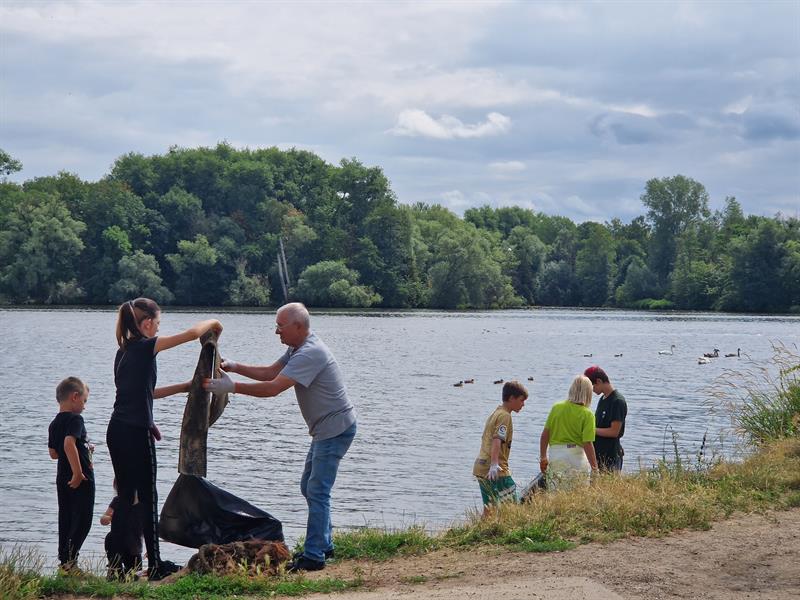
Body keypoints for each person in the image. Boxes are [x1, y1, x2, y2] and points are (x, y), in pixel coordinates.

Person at [204, 302, 356, 573]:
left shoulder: (310, 352)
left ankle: (314, 556)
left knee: (317, 490)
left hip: (334, 429)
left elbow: (272, 388)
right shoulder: (298, 347)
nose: (276, 331)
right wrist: (234, 366)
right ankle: (324, 544)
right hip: (326, 429)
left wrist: (232, 387)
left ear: (298, 326)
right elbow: (270, 372)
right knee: (309, 487)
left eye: (280, 326)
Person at [107, 297, 222, 581]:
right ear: (147, 323)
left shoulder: (123, 351)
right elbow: (192, 334)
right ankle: (156, 564)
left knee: (126, 498)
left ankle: (118, 566)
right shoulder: (147, 346)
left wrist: (184, 387)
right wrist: (214, 322)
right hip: (135, 433)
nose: (158, 328)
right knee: (148, 497)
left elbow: (143, 393)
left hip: (118, 430)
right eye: (158, 323)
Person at [48, 376, 94, 574]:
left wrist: (84, 448)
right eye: (84, 401)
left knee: (66, 517)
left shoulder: (54, 424)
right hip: (80, 479)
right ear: (74, 397)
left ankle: (64, 561)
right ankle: (71, 561)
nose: (84, 406)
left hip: (62, 477)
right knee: (83, 519)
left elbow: (54, 453)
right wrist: (77, 472)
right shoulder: (76, 419)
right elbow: (68, 444)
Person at [472, 380, 528, 515]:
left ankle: (484, 529)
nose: (523, 404)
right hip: (495, 469)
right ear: (511, 398)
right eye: (521, 400)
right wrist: (494, 465)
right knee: (511, 507)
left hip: (481, 466)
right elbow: (497, 439)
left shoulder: (496, 412)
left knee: (489, 509)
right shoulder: (505, 416)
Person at [539, 374, 598, 489]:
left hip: (556, 455)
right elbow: (587, 443)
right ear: (588, 393)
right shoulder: (588, 414)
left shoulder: (557, 408)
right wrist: (595, 468)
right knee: (578, 493)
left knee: (555, 491)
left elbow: (545, 435)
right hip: (577, 457)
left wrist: (543, 457)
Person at [584, 365, 627, 472]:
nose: (592, 391)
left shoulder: (617, 401)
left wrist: (591, 430)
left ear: (599, 381)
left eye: (592, 387)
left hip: (611, 456)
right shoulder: (602, 399)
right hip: (598, 456)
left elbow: (614, 431)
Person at [100, 479, 144, 581]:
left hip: (134, 546)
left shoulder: (141, 505)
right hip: (117, 541)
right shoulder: (117, 501)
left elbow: (147, 528)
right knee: (110, 538)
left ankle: (123, 573)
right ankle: (114, 569)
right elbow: (103, 519)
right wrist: (107, 518)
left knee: (135, 575)